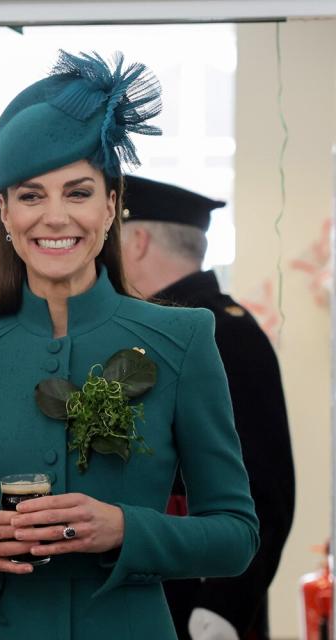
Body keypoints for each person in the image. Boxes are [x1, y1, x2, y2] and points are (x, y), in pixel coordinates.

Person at [0, 50, 259, 639]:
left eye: (79, 191)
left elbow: (236, 535)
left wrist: (125, 528)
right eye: (31, 195)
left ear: (111, 205)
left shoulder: (181, 338)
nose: (55, 217)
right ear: (5, 212)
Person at [120, 175, 295, 640]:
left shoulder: (224, 333)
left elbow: (266, 488)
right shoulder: (159, 328)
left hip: (199, 603)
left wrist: (221, 607)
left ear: (136, 241)